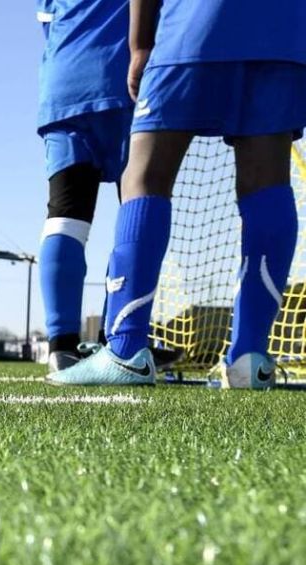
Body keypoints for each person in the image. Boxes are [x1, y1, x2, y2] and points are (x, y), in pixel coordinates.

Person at [51, 0, 306, 388]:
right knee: (268, 179)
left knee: (144, 175)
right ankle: (250, 359)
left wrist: (139, 46)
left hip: (194, 24)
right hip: (284, 31)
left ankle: (125, 351)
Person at [36, 0, 132, 372]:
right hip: (127, 81)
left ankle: (61, 347)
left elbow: (47, 25)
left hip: (65, 81)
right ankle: (122, 341)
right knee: (136, 214)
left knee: (65, 217)